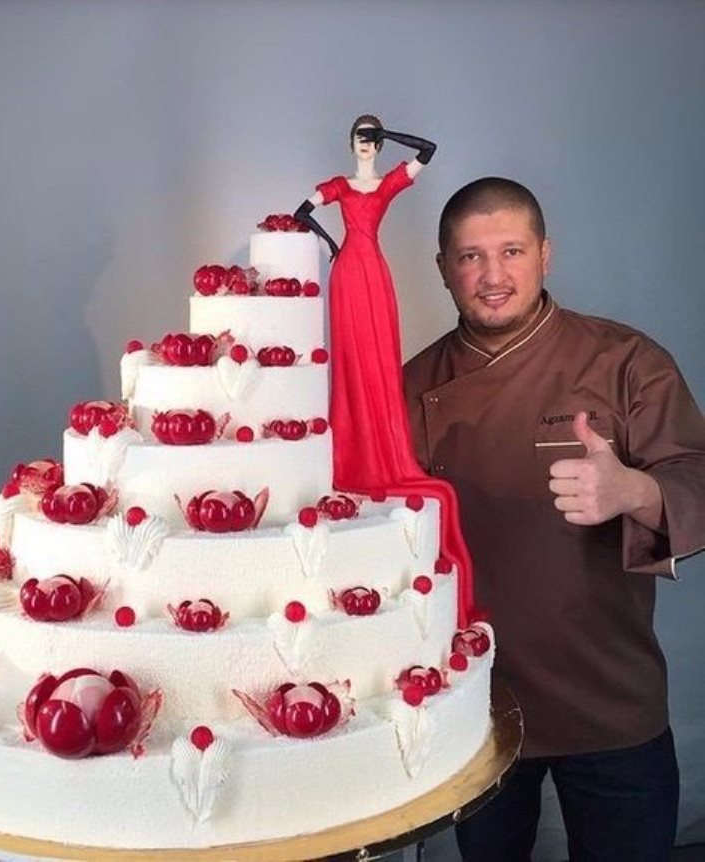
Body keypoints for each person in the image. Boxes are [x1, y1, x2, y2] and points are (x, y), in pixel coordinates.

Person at [404, 176, 705, 861]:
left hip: (612, 698)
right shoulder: (409, 385)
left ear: (545, 254)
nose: (492, 277)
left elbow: (697, 474)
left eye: (511, 251)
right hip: (477, 700)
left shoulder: (626, 361)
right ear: (444, 268)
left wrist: (635, 491)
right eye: (471, 257)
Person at [294, 115, 475, 627]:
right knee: (351, 355)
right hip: (350, 269)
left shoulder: (388, 183)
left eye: (372, 138)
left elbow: (429, 148)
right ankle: (354, 446)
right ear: (349, 142)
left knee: (378, 354)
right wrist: (332, 246)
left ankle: (382, 448)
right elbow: (302, 211)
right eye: (362, 137)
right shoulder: (339, 186)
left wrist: (389, 134)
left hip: (374, 268)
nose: (368, 145)